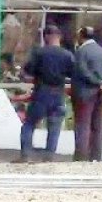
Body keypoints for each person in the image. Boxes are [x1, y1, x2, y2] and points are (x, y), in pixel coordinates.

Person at [16, 26, 75, 163]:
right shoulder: (67, 55)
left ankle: (26, 154)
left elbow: (29, 70)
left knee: (29, 124)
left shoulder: (39, 53)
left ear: (47, 36)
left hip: (41, 92)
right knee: (54, 126)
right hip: (58, 93)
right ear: (59, 37)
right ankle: (49, 156)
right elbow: (73, 73)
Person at [72, 26, 102, 162]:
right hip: (101, 93)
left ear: (81, 36)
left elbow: (82, 71)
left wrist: (96, 82)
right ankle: (96, 155)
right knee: (98, 124)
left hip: (84, 93)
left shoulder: (81, 52)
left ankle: (81, 155)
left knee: (83, 124)